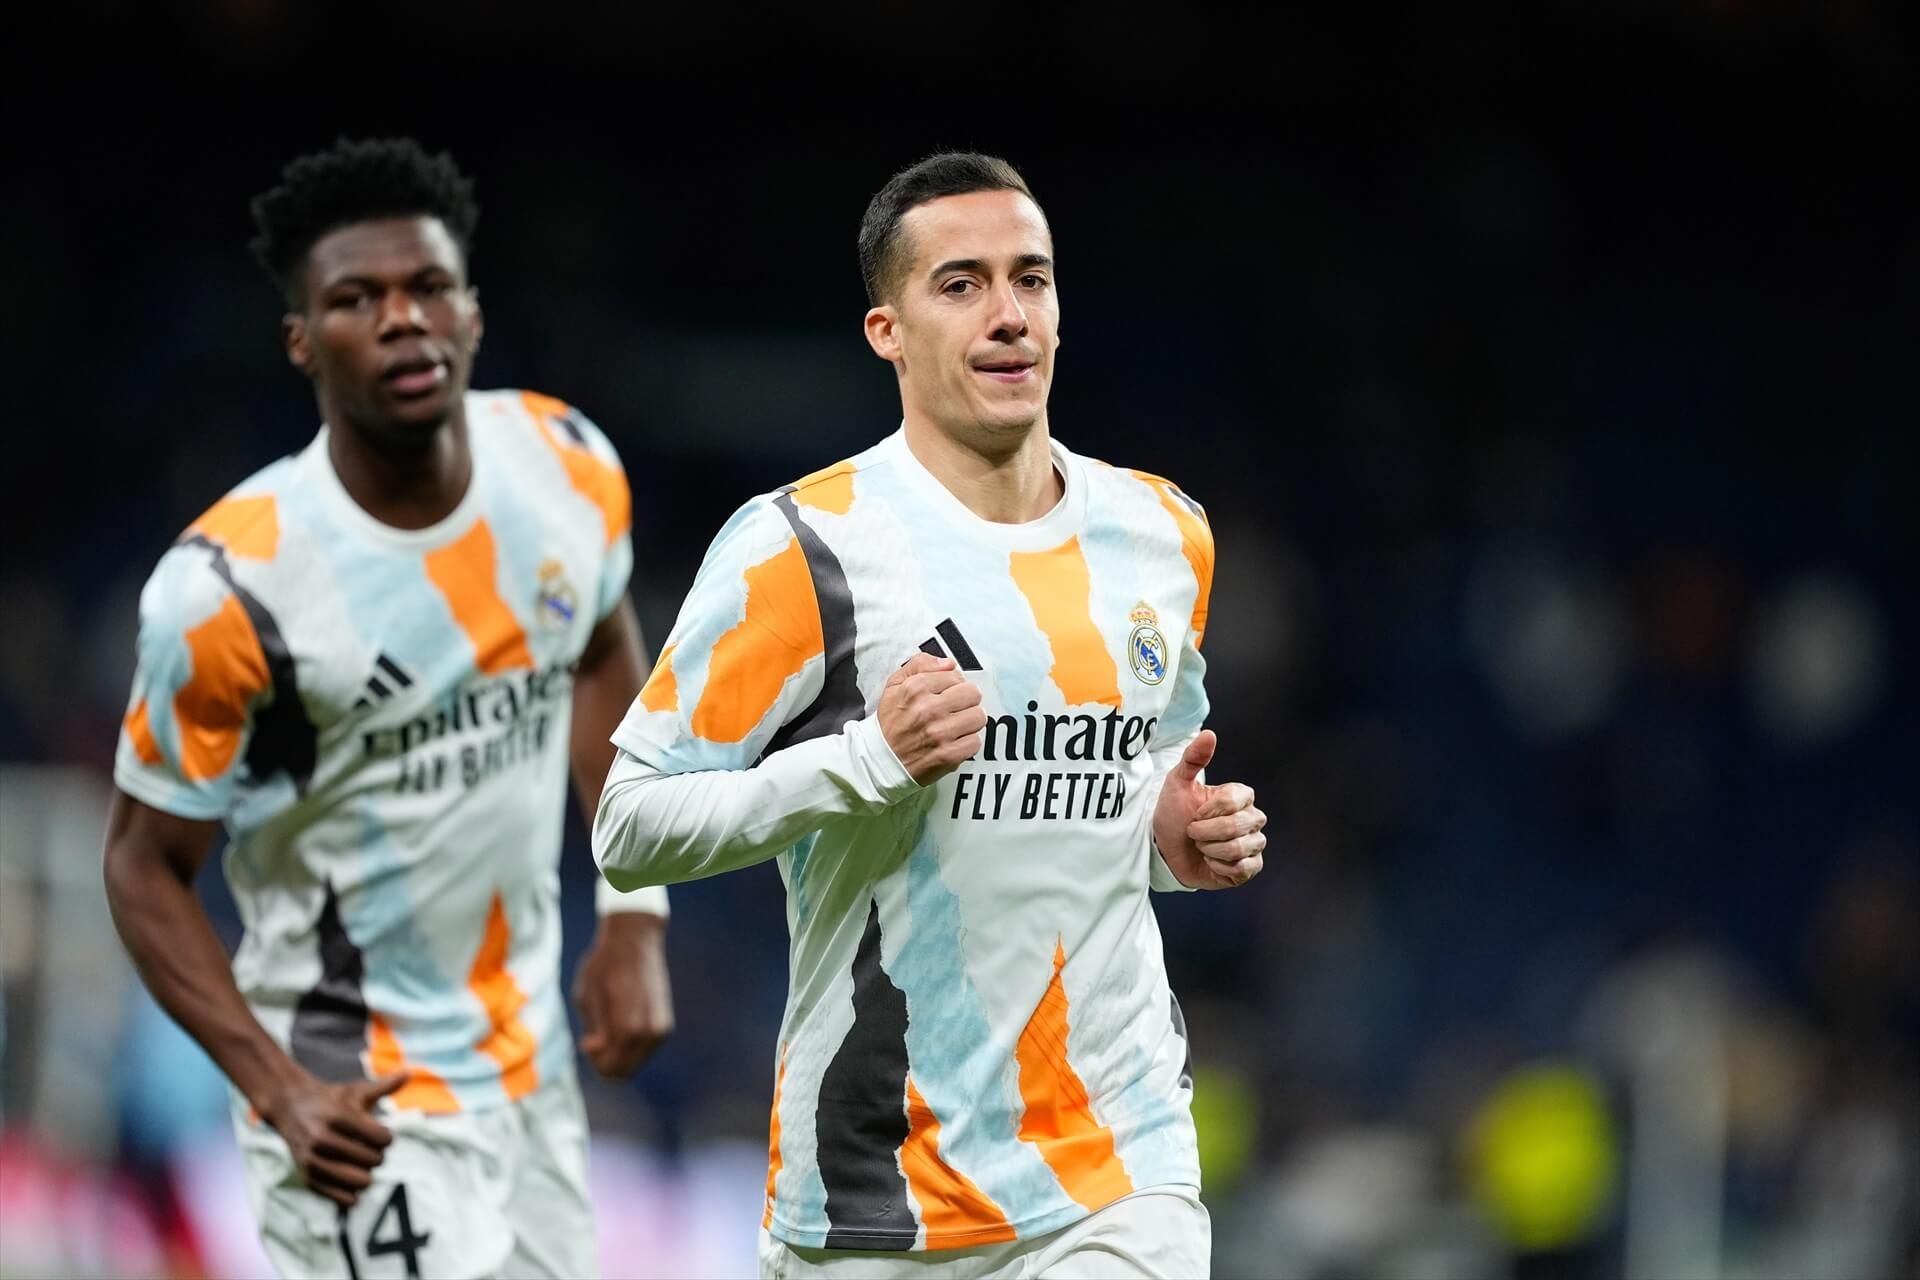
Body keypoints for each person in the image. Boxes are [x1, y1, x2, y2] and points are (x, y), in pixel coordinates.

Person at [593, 151, 1265, 1279]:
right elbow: (631, 821)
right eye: (960, 284)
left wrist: (1165, 834)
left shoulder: (1163, 533)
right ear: (886, 330)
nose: (1008, 314)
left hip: (1117, 1165)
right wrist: (867, 760)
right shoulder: (802, 547)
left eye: (1032, 279)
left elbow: (1130, 775)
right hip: (875, 1202)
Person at [103, 136, 674, 1279]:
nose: (402, 318)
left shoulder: (565, 467)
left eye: (428, 287)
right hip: (351, 1093)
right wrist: (277, 1087)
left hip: (529, 1072)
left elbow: (608, 656)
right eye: (357, 300)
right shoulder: (231, 590)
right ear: (303, 341)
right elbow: (139, 867)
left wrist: (633, 911)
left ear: (471, 311)